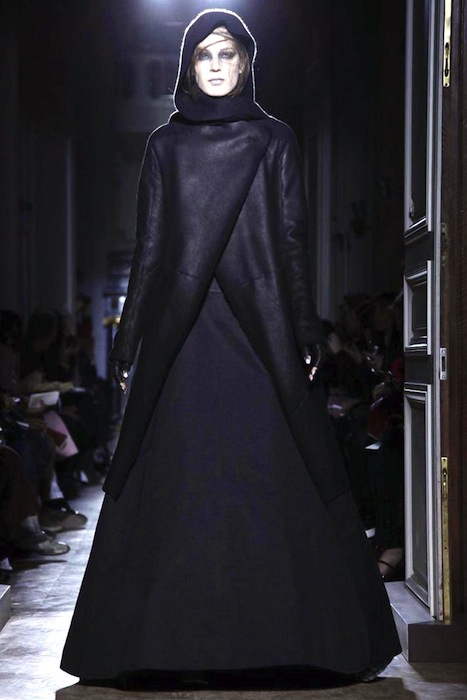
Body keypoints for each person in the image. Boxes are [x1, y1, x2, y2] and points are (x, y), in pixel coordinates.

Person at [61, 9, 401, 688]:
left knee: (269, 471)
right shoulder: (163, 145)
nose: (216, 66)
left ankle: (290, 639)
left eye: (227, 54)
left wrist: (304, 327)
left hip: (257, 328)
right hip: (184, 337)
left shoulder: (275, 137)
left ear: (247, 62)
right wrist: (128, 342)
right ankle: (169, 645)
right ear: (188, 66)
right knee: (187, 477)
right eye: (204, 56)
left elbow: (292, 239)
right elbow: (150, 247)